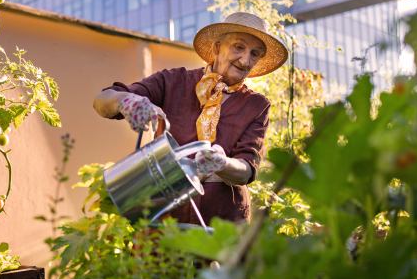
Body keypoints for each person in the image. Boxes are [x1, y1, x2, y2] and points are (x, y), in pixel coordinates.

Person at [93, 12, 288, 224]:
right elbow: (103, 100)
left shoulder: (257, 105)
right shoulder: (174, 81)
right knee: (154, 257)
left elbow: (247, 168)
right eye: (238, 47)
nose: (245, 60)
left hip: (223, 223)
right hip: (164, 212)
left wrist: (222, 163)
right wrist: (126, 101)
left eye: (255, 54)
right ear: (216, 48)